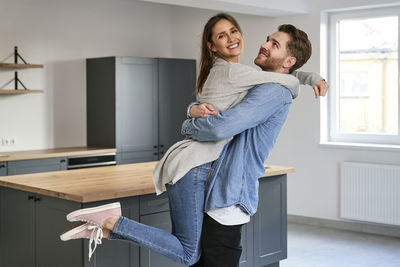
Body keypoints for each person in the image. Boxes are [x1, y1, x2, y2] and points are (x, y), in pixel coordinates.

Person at [60, 13, 327, 265]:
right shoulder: (257, 80)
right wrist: (191, 117)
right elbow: (222, 126)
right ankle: (111, 222)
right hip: (214, 182)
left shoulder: (269, 89)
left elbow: (275, 86)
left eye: (274, 43)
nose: (264, 44)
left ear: (288, 61)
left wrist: (189, 120)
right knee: (193, 255)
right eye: (267, 39)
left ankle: (107, 227)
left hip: (224, 188)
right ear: (212, 46)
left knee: (193, 255)